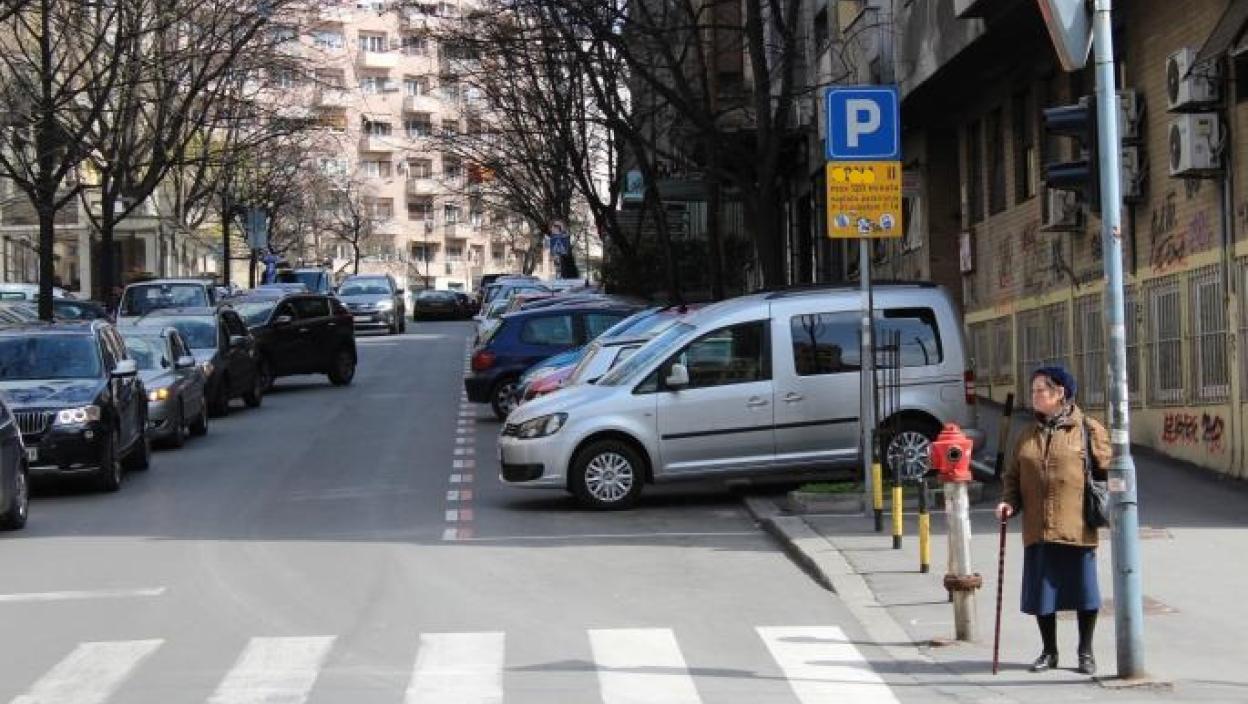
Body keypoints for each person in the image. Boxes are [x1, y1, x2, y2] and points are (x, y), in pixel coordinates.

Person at [996, 366, 1111, 676]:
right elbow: (1013, 476)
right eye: (1032, 391)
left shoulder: (1088, 429)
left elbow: (1107, 472)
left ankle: (1085, 652)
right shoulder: (1026, 435)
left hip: (1076, 526)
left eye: (1040, 390)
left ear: (1060, 393)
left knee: (1085, 592)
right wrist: (1009, 502)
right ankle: (1049, 651)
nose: (1034, 396)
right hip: (1039, 527)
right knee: (1042, 595)